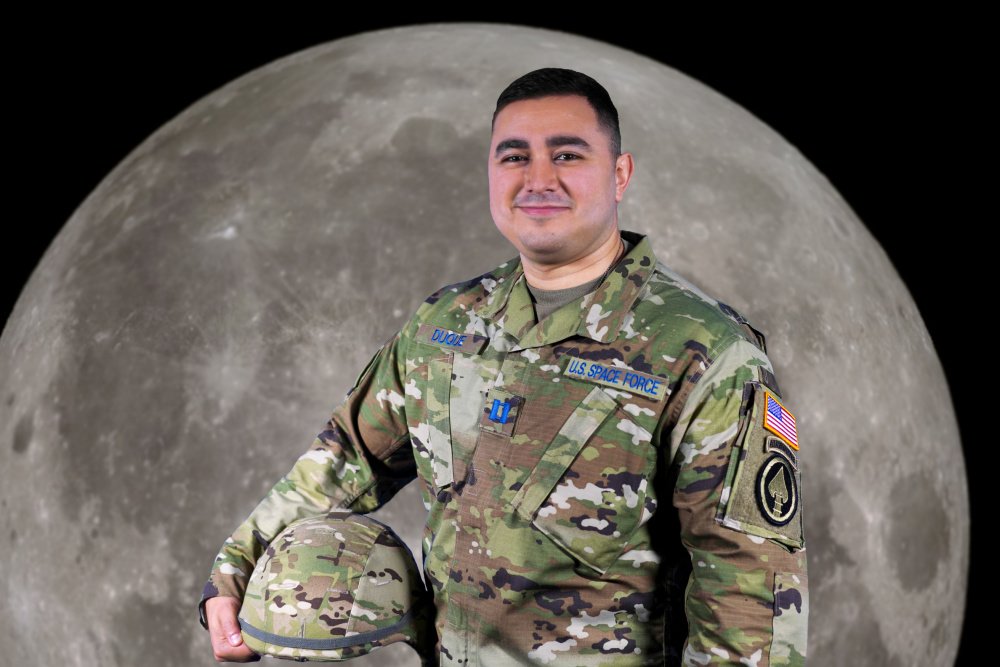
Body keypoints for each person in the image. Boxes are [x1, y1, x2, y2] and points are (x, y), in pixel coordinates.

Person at [199, 67, 809, 666]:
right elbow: (344, 462)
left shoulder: (706, 351)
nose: (538, 179)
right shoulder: (443, 326)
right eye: (514, 157)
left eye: (567, 155)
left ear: (619, 174)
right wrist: (232, 572)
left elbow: (749, 591)